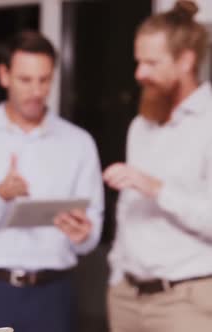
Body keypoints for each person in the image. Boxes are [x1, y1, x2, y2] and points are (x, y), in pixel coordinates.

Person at [0, 30, 104, 332]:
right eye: (26, 80)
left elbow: (92, 229)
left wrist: (84, 234)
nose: (36, 91)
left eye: (44, 80)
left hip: (54, 295)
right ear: (4, 76)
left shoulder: (79, 143)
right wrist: (0, 195)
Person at [104, 1, 212, 331]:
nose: (140, 74)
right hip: (125, 298)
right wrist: (117, 275)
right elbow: (129, 210)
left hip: (184, 302)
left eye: (151, 63)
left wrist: (157, 189)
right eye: (139, 62)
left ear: (186, 61)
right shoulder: (141, 125)